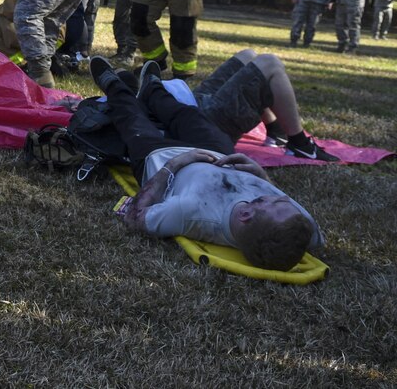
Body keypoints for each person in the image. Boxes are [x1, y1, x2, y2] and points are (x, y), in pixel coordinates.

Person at [90, 57, 324, 271]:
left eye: (265, 199)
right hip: (216, 152)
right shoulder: (301, 226)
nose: (279, 196)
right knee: (187, 115)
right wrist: (261, 176)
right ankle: (152, 88)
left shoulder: (190, 212)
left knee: (132, 119)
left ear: (245, 214)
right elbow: (312, 234)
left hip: (161, 157)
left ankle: (115, 86)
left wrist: (173, 165)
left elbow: (135, 218)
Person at [166, 48, 336, 161]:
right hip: (200, 124)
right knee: (270, 64)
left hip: (189, 104)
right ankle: (300, 145)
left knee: (247, 55)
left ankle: (276, 132)